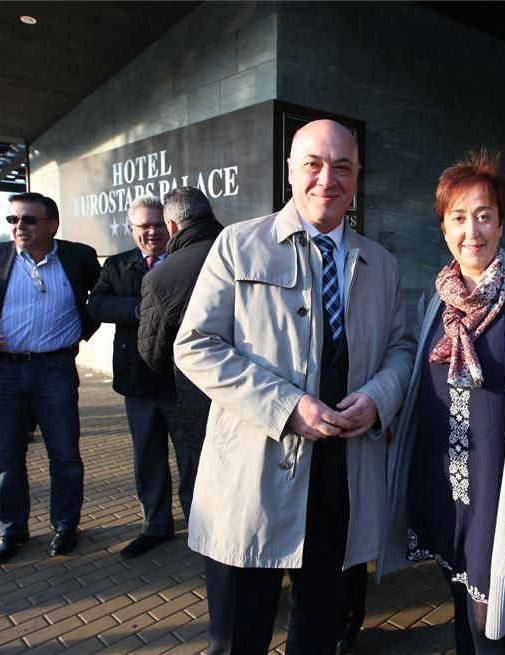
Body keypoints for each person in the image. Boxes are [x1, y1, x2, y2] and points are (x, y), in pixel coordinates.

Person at [173, 119, 415, 654]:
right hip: (253, 478)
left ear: (357, 177)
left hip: (343, 479)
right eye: (313, 163)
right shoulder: (238, 245)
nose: (327, 178)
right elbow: (195, 345)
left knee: (320, 632)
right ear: (290, 171)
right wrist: (286, 406)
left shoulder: (384, 265)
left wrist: (379, 398)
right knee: (239, 638)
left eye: (342, 166)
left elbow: (403, 350)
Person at [380, 149, 505, 653]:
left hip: (501, 492)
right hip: (447, 489)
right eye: (459, 218)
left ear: (502, 223)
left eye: (484, 216)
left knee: (493, 625)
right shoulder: (438, 298)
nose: (473, 231)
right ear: (444, 228)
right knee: (461, 611)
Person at [0, 192, 101, 564]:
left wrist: (81, 332)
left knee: (65, 454)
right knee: (6, 458)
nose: (20, 227)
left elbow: (100, 298)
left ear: (53, 224)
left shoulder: (78, 256)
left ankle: (66, 525)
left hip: (55, 370)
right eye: (13, 220)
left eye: (29, 220)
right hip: (1, 372)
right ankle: (12, 530)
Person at [87, 195, 188, 559]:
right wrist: (138, 309)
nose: (151, 232)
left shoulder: (185, 260)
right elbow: (96, 304)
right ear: (131, 230)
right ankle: (155, 526)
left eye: (158, 225)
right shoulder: (117, 266)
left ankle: (201, 525)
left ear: (170, 227)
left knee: (190, 458)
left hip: (182, 381)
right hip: (138, 381)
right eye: (143, 226)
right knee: (148, 457)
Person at [138, 186, 223, 480]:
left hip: (198, 395)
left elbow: (154, 354)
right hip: (262, 394)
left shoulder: (161, 276)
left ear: (172, 226)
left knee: (206, 482)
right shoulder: (251, 252)